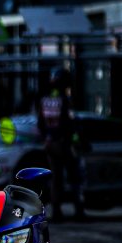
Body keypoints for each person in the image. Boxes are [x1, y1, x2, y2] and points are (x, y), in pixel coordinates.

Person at [36, 68, 84, 221]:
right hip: (64, 143)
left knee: (56, 179)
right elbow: (71, 124)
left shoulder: (44, 100)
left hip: (50, 144)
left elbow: (40, 124)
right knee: (74, 177)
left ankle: (56, 211)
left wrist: (46, 139)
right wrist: (76, 141)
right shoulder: (65, 100)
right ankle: (78, 210)